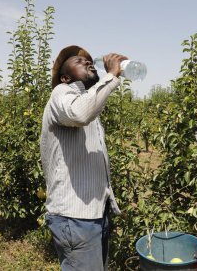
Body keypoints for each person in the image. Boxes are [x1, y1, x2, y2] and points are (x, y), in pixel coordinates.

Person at [40, 45, 127, 271]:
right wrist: (110, 76)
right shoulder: (61, 93)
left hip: (93, 215)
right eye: (79, 62)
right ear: (65, 77)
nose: (88, 62)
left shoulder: (87, 103)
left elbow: (86, 110)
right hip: (74, 216)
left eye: (89, 61)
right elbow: (80, 114)